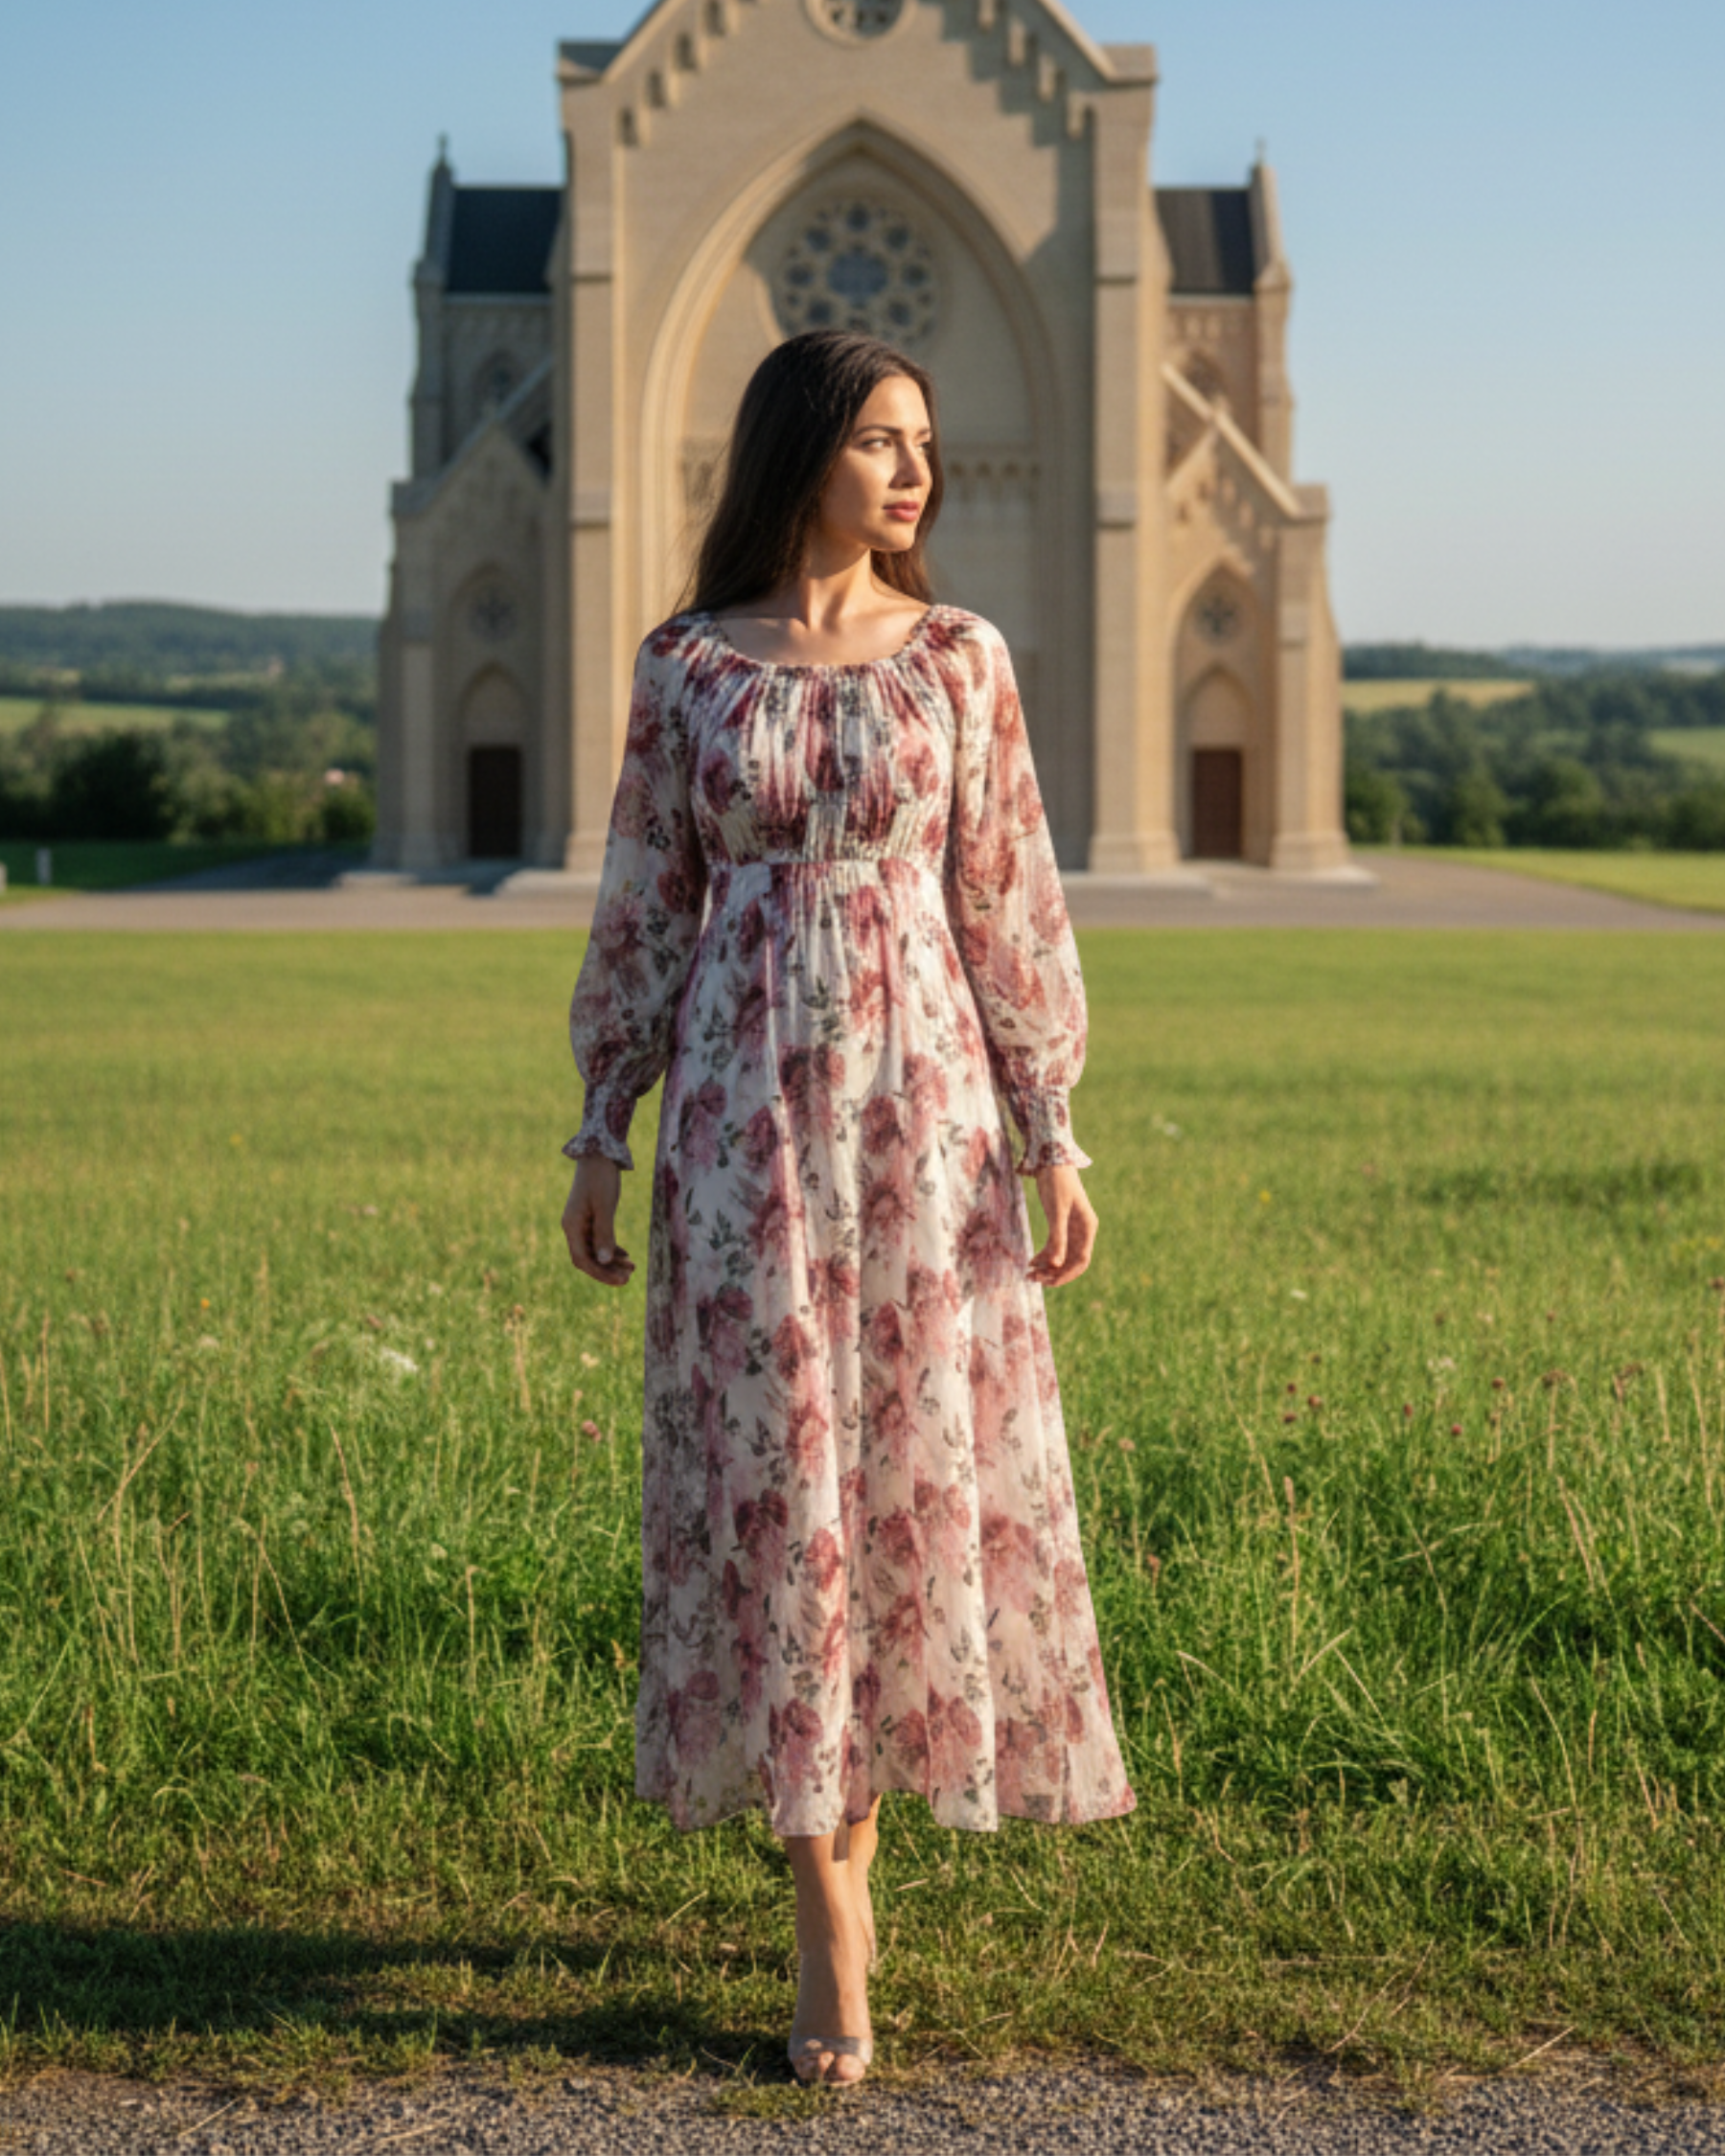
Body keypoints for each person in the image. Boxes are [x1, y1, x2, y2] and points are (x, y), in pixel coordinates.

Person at [560, 327, 1136, 2088]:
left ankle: (861, 1850)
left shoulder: (961, 660)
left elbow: (1010, 894)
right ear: (801, 451)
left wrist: (1053, 1121)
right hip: (741, 1134)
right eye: (882, 441)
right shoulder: (684, 670)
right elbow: (644, 902)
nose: (915, 474)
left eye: (927, 447)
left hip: (924, 1126)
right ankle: (823, 1909)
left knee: (895, 1483)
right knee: (773, 1477)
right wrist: (603, 1116)